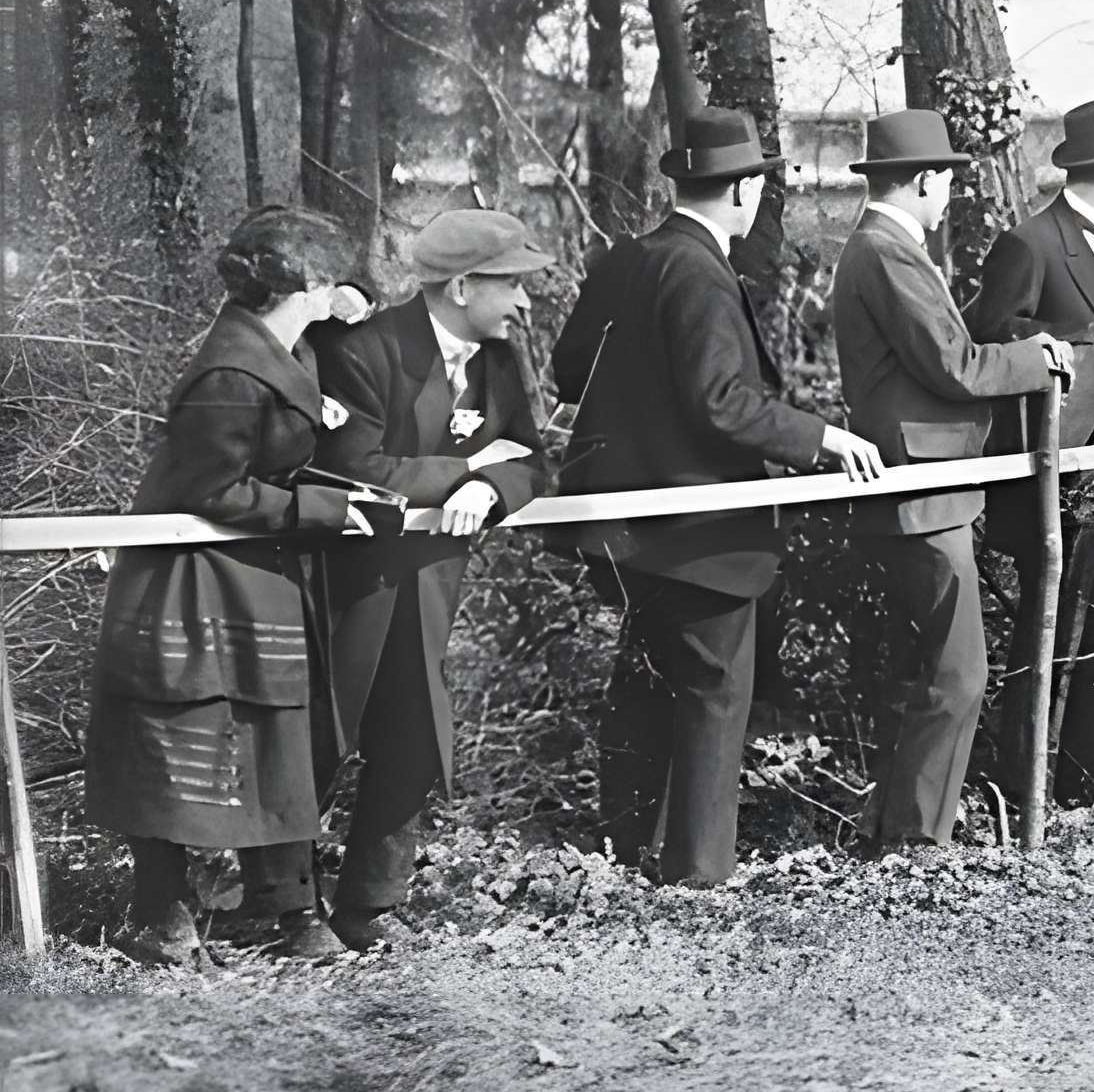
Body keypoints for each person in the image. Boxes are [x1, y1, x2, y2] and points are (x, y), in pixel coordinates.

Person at [553, 105, 885, 888]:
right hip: (695, 528)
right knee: (713, 689)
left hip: (619, 526)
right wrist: (822, 438)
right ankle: (698, 873)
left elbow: (571, 373)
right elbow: (722, 403)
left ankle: (628, 851)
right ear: (739, 192)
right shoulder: (700, 273)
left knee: (643, 681)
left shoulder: (624, 261)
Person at [84, 208, 382, 969]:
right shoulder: (229, 369)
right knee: (179, 730)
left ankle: (285, 909)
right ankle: (163, 915)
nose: (342, 291)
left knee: (276, 734)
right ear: (308, 284)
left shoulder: (280, 344)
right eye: (331, 281)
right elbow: (210, 491)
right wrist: (327, 509)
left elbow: (289, 420)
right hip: (189, 580)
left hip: (252, 573)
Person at [828, 111, 1078, 859]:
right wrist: (1040, 358)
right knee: (958, 671)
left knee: (934, 670)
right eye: (947, 185)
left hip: (927, 484)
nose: (949, 201)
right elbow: (958, 366)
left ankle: (900, 829)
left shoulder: (883, 249)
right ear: (926, 179)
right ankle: (916, 840)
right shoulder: (887, 252)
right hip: (920, 489)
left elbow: (946, 354)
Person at [304, 207, 556, 950]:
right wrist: (465, 470)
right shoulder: (366, 350)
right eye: (512, 284)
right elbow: (354, 469)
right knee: (321, 739)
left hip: (430, 585)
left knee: (414, 737)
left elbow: (535, 458)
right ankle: (274, 905)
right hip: (348, 586)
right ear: (463, 286)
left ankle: (370, 906)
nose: (525, 302)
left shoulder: (500, 356)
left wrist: (491, 489)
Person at [968, 94, 1094, 812]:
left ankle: (1091, 781)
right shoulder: (1033, 242)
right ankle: (1026, 783)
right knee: (1051, 626)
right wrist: (1092, 335)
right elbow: (993, 335)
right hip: (1061, 462)